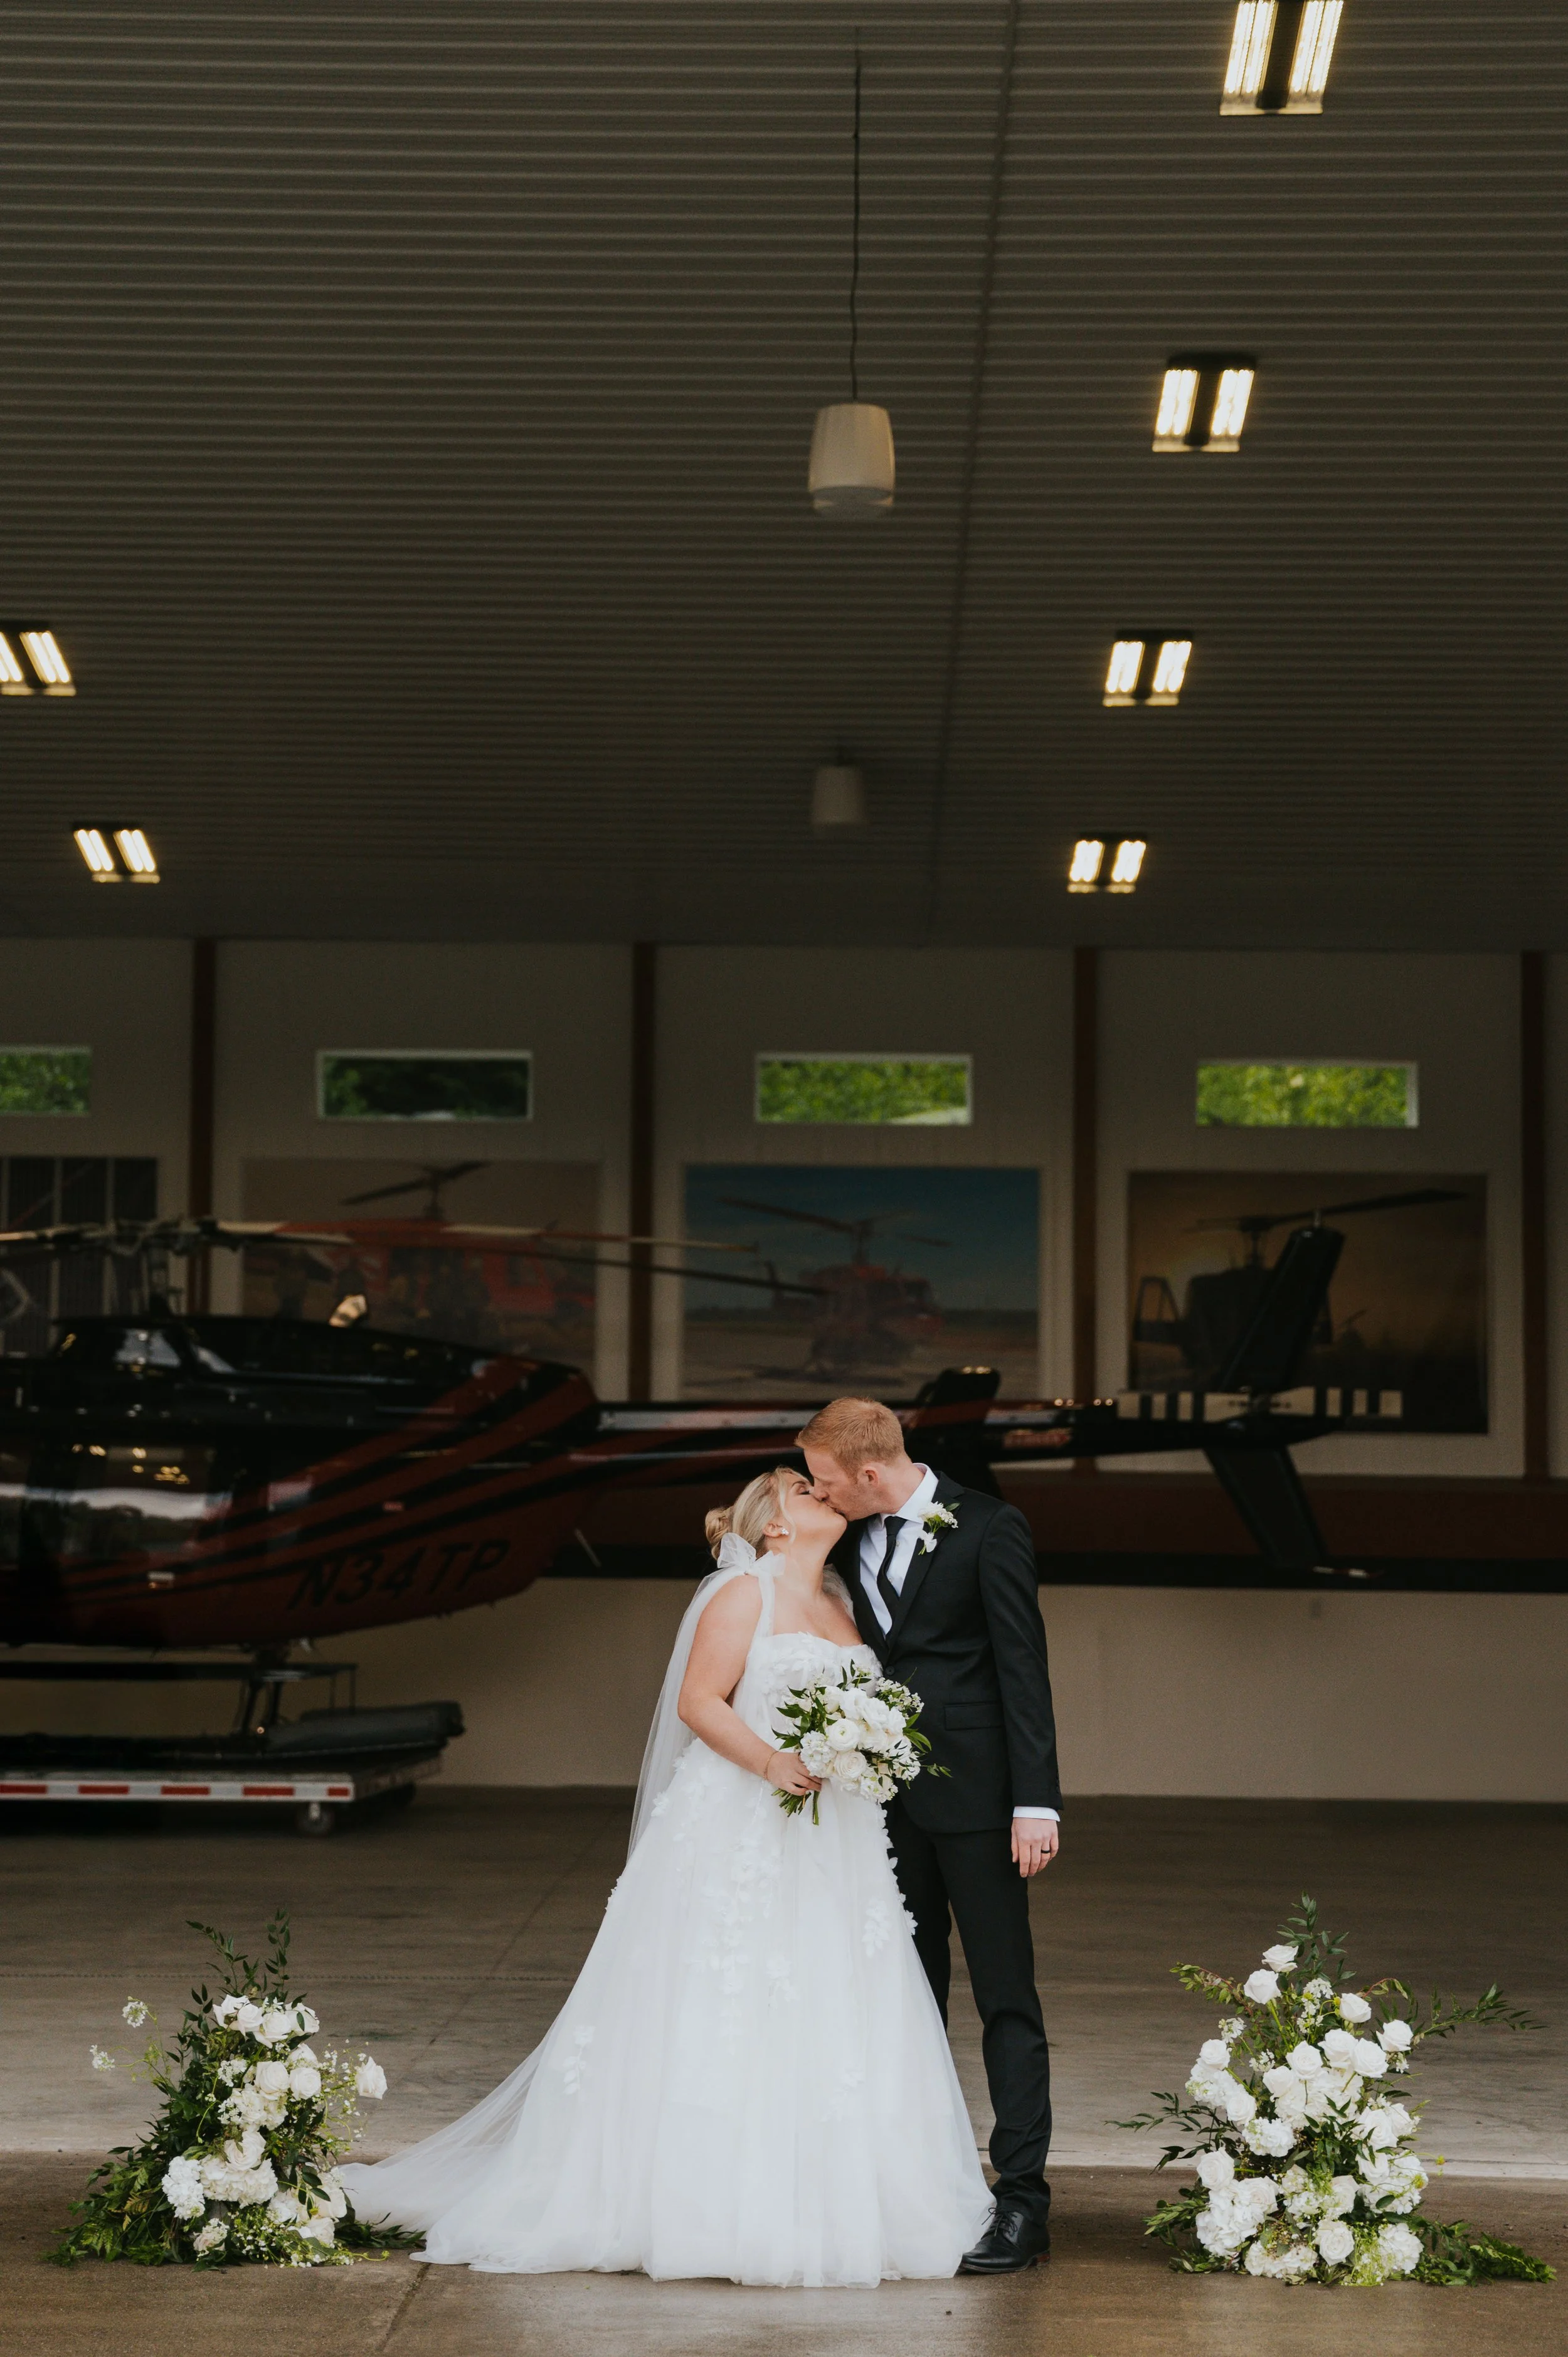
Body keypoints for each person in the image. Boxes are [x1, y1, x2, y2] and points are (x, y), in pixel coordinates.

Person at [338, 1467, 991, 2285]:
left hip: (837, 1840)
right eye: (803, 1488)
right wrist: (773, 1761)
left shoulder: (843, 1602)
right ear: (776, 1526)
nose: (824, 1492)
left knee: (832, 1997)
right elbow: (699, 1700)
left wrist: (868, 1750)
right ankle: (701, 2202)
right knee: (729, 1998)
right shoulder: (742, 1594)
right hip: (744, 1823)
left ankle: (836, 2193)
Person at [798, 1396, 1061, 2274]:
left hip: (984, 1801)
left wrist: (1038, 1803)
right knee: (903, 2001)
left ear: (871, 1473)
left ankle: (1022, 2200)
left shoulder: (991, 1528)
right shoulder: (843, 1533)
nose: (818, 1494)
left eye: (828, 1481)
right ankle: (921, 2184)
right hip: (880, 1802)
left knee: (1005, 1997)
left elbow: (1023, 1665)